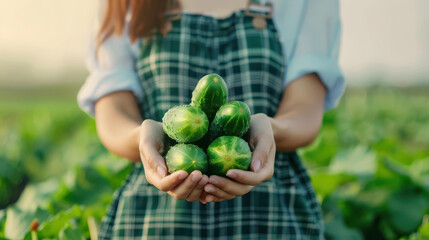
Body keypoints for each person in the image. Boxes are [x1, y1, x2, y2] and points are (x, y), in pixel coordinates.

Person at [78, 0, 345, 239]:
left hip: (270, 212)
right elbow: (113, 114)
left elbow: (305, 112)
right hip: (157, 215)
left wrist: (270, 129)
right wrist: (142, 137)